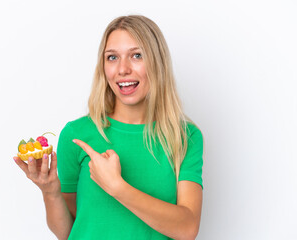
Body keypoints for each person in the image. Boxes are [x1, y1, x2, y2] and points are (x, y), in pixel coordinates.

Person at [14, 15, 203, 240]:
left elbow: (187, 228)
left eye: (137, 55)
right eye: (112, 57)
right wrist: (50, 191)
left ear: (157, 61)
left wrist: (117, 187)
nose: (122, 69)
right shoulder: (77, 135)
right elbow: (68, 232)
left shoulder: (185, 137)